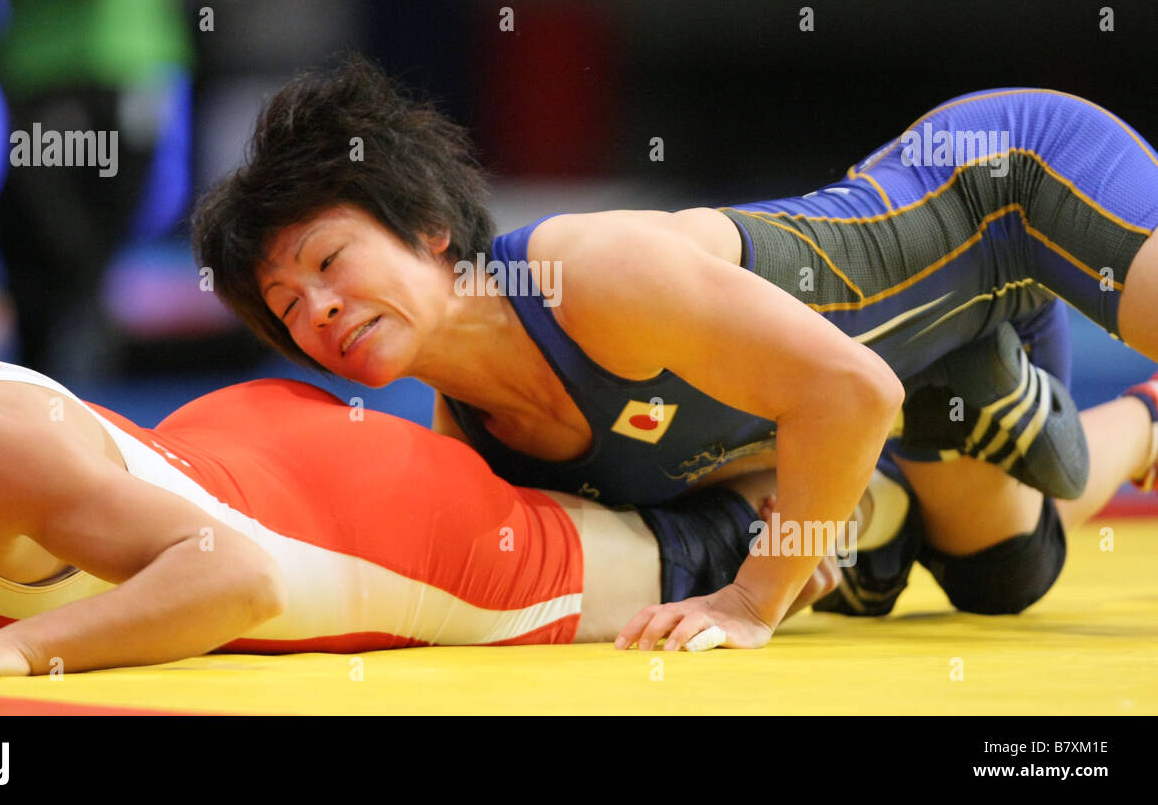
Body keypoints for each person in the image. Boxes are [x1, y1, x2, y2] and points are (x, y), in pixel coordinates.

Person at [192, 56, 1158, 648]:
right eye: (287, 306)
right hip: (917, 366)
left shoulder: (591, 275)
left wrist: (756, 595)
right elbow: (765, 463)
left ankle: (999, 387)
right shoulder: (484, 441)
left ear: (430, 229)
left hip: (1004, 191)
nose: (319, 308)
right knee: (1007, 576)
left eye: (328, 261)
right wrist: (794, 539)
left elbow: (849, 390)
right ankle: (1113, 412)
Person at [0, 326, 846, 679]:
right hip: (231, 456)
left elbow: (233, 574)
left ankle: (878, 486)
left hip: (356, 531)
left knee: (699, 558)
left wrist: (21, 648)